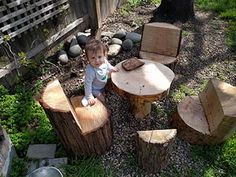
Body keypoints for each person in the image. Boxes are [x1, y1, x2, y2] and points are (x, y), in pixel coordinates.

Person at [81, 39, 118, 106]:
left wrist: (111, 68)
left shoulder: (104, 61)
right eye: (93, 58)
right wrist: (89, 96)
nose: (97, 60)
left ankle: (103, 92)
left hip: (102, 84)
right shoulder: (91, 70)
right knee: (103, 99)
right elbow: (87, 84)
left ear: (104, 55)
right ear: (88, 59)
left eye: (99, 57)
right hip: (94, 89)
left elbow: (108, 65)